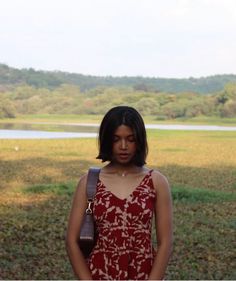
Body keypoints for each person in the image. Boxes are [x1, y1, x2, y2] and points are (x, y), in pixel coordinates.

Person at [66, 106, 173, 280]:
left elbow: (166, 243)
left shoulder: (156, 182)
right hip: (99, 273)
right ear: (107, 140)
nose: (123, 146)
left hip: (143, 274)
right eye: (116, 139)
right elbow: (71, 242)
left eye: (130, 139)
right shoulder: (89, 182)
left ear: (139, 140)